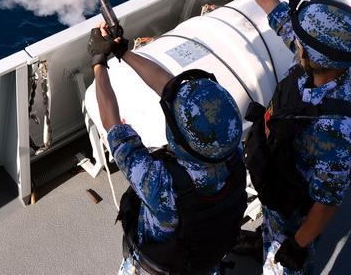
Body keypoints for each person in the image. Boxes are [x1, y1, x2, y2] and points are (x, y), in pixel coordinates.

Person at [199, 0, 351, 274]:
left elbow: (326, 202)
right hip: (281, 178)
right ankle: (268, 235)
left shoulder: (336, 130)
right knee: (274, 224)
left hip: (298, 208)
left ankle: (281, 251)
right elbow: (267, 1)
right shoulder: (324, 62)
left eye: (302, 40)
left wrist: (297, 245)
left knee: (282, 265)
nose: (297, 40)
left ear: (314, 54)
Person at [88, 23, 247, 274]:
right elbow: (170, 87)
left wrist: (98, 62)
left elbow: (112, 125)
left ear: (181, 139)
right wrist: (124, 52)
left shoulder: (161, 184)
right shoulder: (231, 152)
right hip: (206, 259)